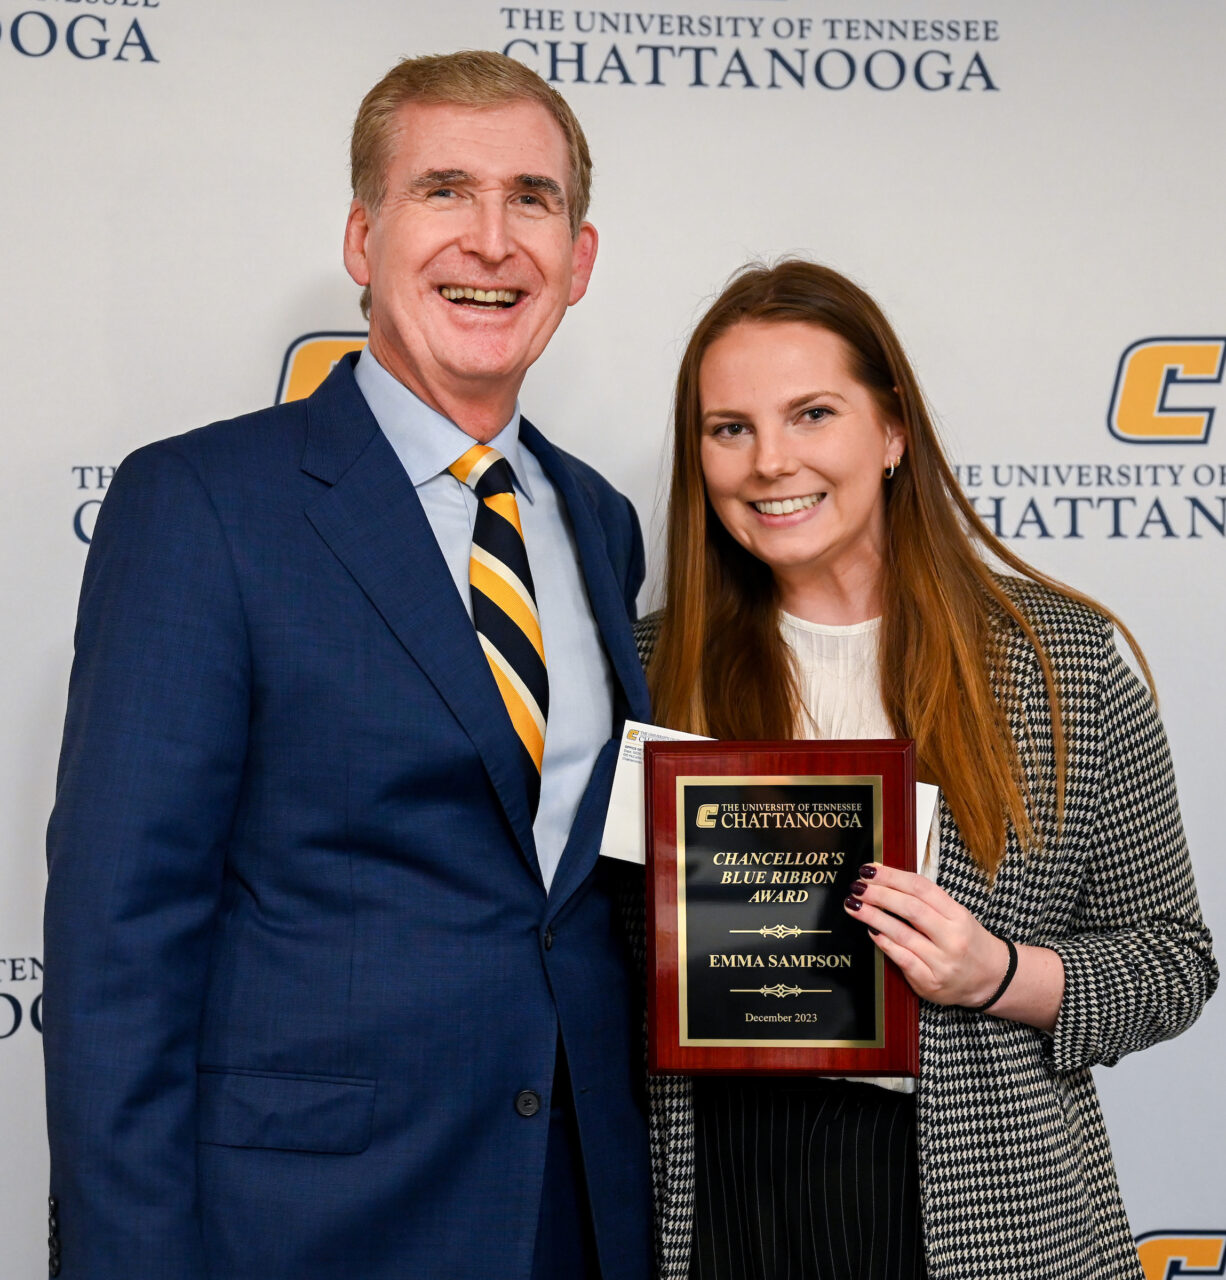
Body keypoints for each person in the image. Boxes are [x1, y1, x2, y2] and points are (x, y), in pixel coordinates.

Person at [44, 51, 653, 1280]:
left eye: (531, 200)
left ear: (579, 257)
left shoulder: (599, 518)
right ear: (363, 239)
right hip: (306, 1225)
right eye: (444, 191)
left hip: (572, 1211)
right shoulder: (203, 503)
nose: (491, 240)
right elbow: (120, 939)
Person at [637, 259, 1218, 1280]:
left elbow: (1173, 963)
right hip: (715, 1203)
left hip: (981, 1215)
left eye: (811, 414)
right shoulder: (644, 670)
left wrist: (998, 974)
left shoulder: (1058, 664)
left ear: (893, 430)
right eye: (729, 428)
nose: (769, 461)